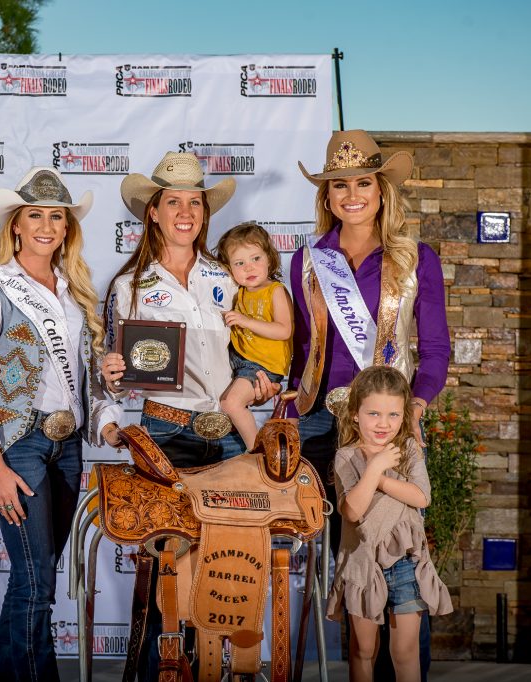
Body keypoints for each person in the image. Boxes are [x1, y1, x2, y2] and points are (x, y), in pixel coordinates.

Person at [99, 151, 280, 680]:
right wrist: (111, 373)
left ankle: (221, 668)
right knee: (169, 572)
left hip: (226, 435)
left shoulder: (225, 277)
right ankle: (167, 669)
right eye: (173, 201)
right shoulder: (127, 286)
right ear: (152, 211)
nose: (185, 211)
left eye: (194, 202)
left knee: (227, 566)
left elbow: (249, 348)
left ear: (205, 211)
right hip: (166, 431)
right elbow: (106, 366)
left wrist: (262, 379)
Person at [290, 129, 450, 680]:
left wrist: (417, 409)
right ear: (327, 195)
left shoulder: (416, 258)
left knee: (402, 548)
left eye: (362, 182)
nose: (351, 194)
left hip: (388, 424)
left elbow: (434, 349)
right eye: (339, 185)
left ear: (381, 190)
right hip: (319, 422)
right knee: (351, 556)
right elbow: (301, 349)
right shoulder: (308, 260)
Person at [0, 167, 124, 681]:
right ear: (15, 225)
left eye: (57, 216)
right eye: (36, 215)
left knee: (36, 577)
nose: (47, 225)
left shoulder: (76, 291)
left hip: (68, 444)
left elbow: (84, 378)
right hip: (18, 443)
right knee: (35, 582)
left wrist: (109, 394)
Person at [326, 365, 452, 682]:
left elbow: (421, 496)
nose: (384, 424)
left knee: (405, 651)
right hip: (362, 563)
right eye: (374, 414)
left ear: (404, 415)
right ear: (354, 413)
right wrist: (376, 467)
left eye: (394, 415)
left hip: (406, 561)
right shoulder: (346, 456)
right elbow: (352, 511)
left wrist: (380, 478)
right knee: (363, 649)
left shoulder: (408, 450)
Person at [215, 222, 294, 448]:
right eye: (240, 263)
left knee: (231, 404)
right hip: (239, 359)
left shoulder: (275, 291)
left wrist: (245, 321)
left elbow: (284, 330)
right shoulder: (238, 291)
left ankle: (257, 450)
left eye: (256, 259)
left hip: (262, 365)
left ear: (269, 258)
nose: (249, 268)